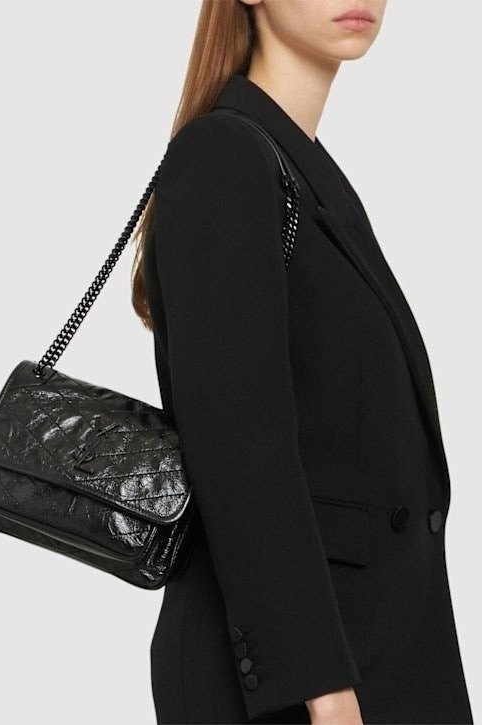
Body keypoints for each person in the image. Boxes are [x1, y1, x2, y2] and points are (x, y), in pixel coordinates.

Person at [131, 1, 473, 723]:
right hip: (306, 686)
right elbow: (239, 449)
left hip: (373, 648)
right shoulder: (226, 156)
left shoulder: (298, 167)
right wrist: (321, 686)